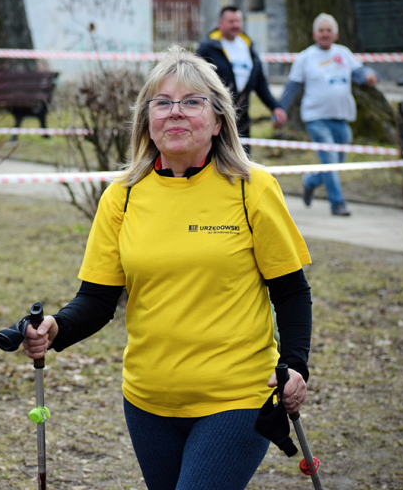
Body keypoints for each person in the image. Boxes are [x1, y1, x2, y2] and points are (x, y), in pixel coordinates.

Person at [19, 46, 314, 490]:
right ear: (147, 123)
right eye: (162, 103)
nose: (175, 113)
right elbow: (98, 300)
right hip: (147, 401)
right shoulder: (123, 194)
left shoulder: (251, 188)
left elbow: (290, 291)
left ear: (217, 122)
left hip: (235, 397)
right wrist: (55, 328)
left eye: (192, 102)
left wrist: (294, 366)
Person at [276, 13, 380, 216]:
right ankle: (337, 203)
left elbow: (360, 73)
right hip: (316, 118)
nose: (325, 34)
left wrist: (370, 76)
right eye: (321, 31)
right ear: (314, 34)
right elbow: (292, 88)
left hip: (342, 118)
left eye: (329, 30)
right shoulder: (305, 57)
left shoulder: (344, 53)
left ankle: (310, 181)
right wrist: (278, 111)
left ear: (336, 34)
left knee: (336, 164)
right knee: (330, 161)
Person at [196, 5, 287, 155]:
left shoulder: (248, 47)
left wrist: (275, 107)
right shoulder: (208, 48)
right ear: (220, 24)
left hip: (242, 118)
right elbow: (193, 79)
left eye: (238, 21)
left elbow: (260, 84)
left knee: (243, 161)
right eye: (231, 21)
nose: (236, 25)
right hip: (216, 116)